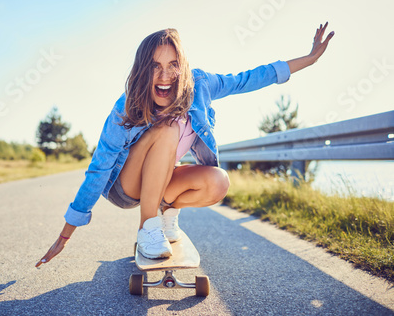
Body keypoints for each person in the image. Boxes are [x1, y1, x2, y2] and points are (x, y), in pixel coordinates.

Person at [36, 22, 334, 265]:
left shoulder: (200, 84)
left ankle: (165, 212)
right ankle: (147, 228)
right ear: (143, 70)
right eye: (155, 66)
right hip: (125, 188)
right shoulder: (126, 106)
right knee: (168, 129)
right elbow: (99, 167)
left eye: (173, 65)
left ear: (183, 66)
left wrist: (309, 58)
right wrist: (66, 234)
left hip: (162, 181)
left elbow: (250, 78)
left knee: (218, 181)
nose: (165, 76)